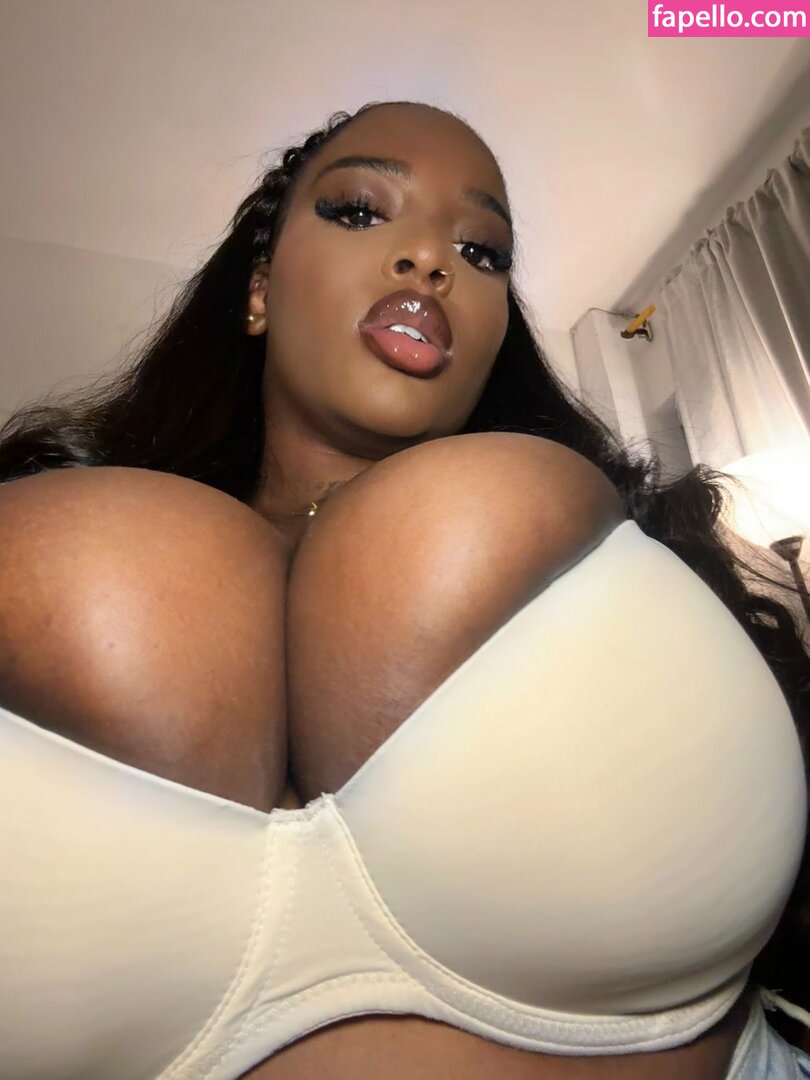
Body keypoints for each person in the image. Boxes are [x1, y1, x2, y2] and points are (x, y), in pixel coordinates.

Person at [0, 100, 808, 1080]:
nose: (430, 260)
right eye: (358, 211)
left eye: (481, 252)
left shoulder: (598, 559)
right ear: (258, 289)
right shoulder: (67, 533)